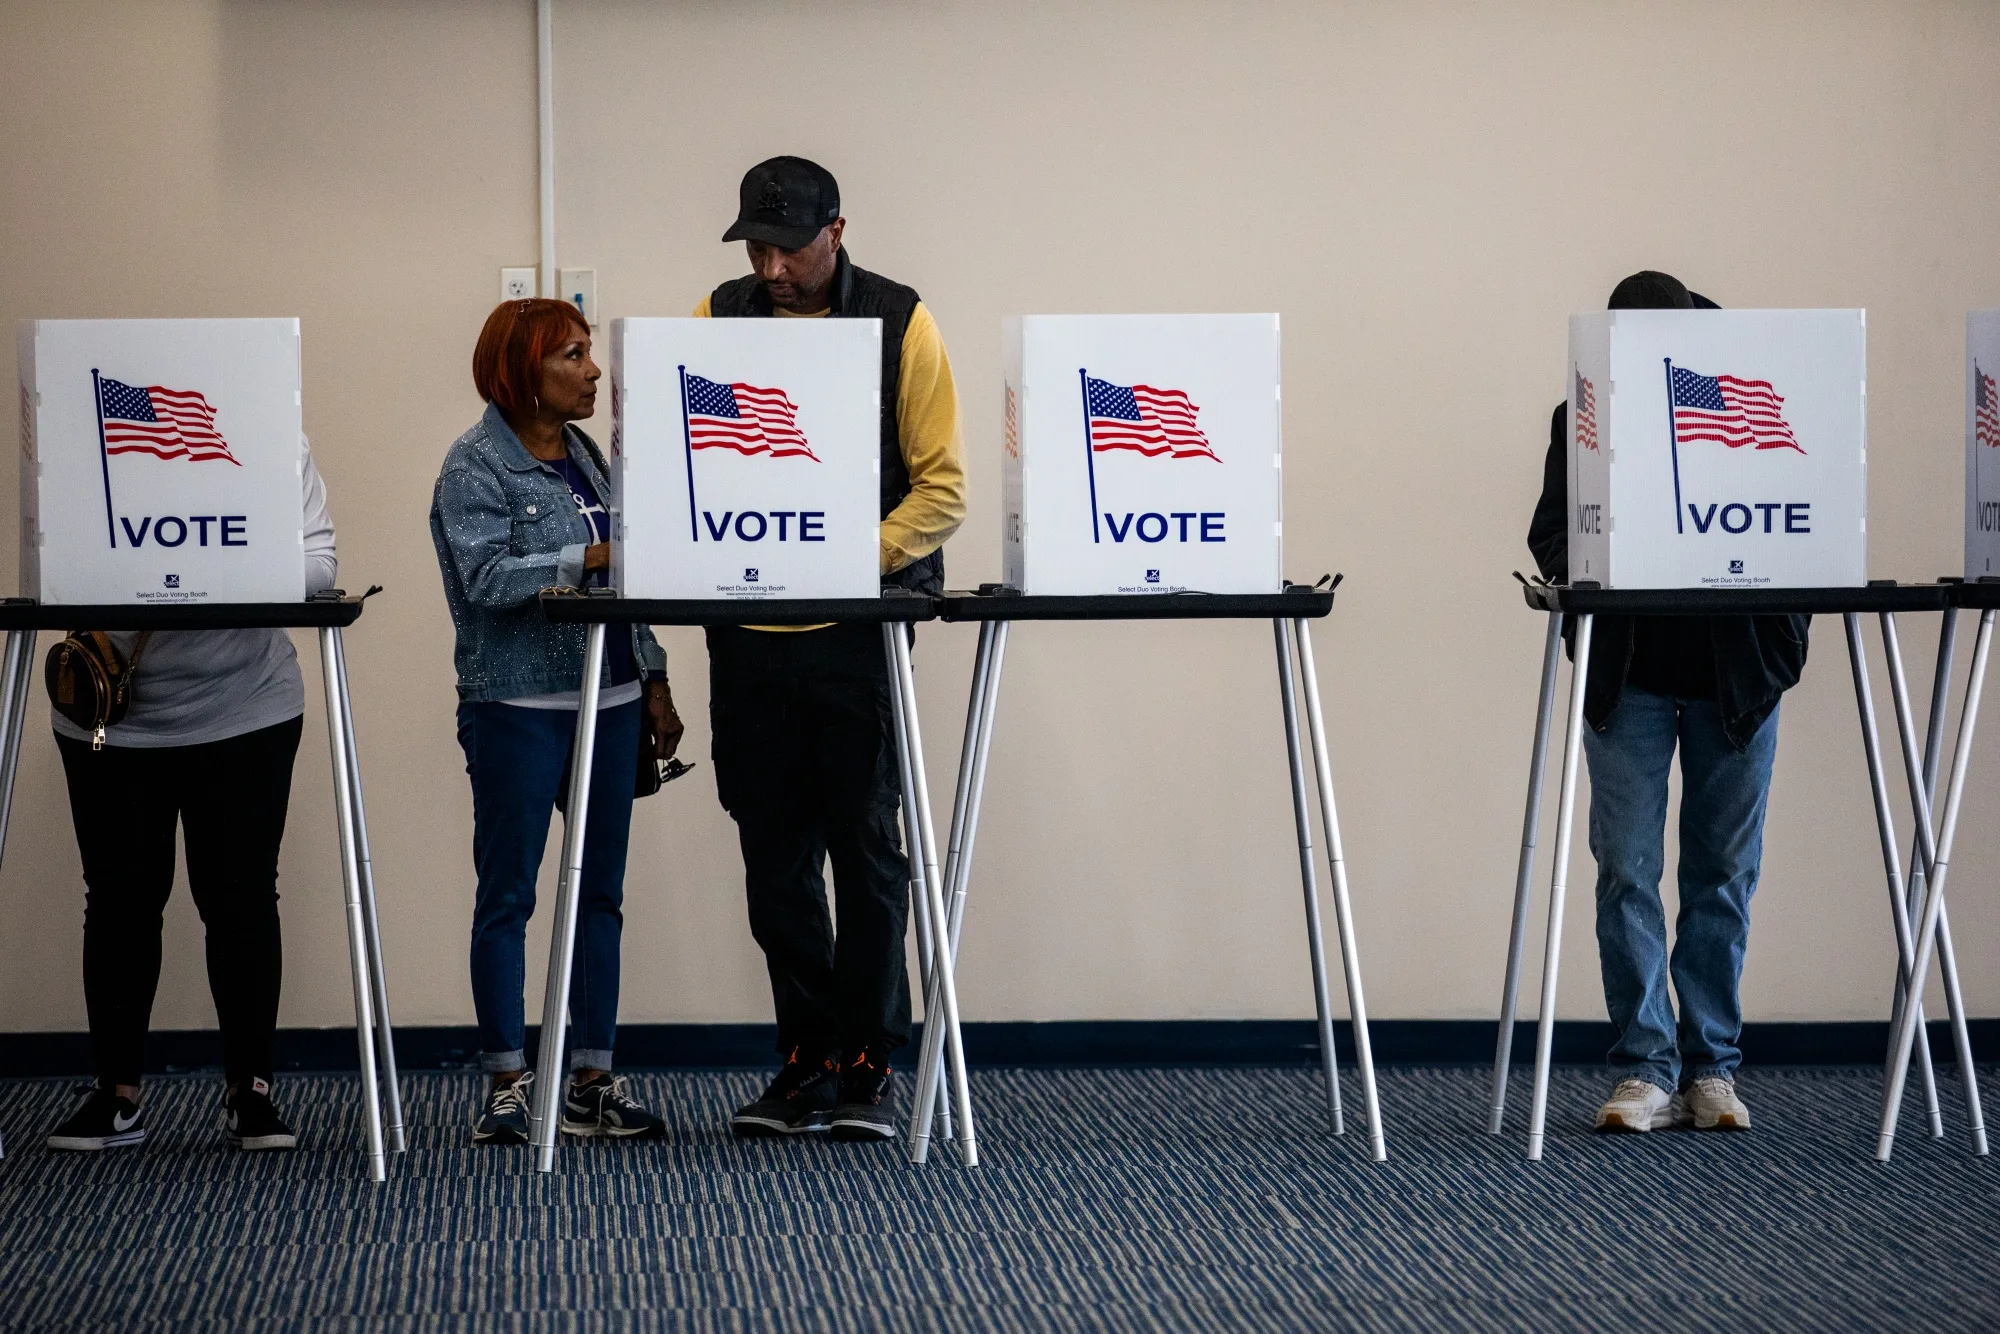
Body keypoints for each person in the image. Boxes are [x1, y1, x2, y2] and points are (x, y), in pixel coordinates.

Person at [695, 156, 966, 1141]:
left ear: (837, 230)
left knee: (865, 854)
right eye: (755, 246)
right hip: (748, 632)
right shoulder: (718, 315)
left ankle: (867, 1062)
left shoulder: (901, 319)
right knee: (773, 859)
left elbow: (940, 489)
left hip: (858, 631)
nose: (770, 265)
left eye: (787, 246)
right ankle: (802, 1056)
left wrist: (847, 555)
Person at [1528, 270, 1808, 1134]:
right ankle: (1646, 1068)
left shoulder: (1752, 400)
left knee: (1724, 876)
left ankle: (1712, 1071)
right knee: (1627, 875)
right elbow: (1547, 531)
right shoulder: (1584, 414)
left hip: (1737, 679)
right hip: (1631, 677)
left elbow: (1809, 522)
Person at [431, 297, 685, 1145]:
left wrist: (653, 677)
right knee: (508, 896)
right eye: (572, 355)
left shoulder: (591, 459)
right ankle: (508, 1083)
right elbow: (487, 581)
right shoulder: (473, 466)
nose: (593, 370)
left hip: (609, 702)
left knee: (599, 897)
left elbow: (632, 584)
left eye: (588, 353)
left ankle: (592, 1081)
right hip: (516, 707)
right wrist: (589, 554)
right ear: (522, 372)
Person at [43, 437, 337, 1154]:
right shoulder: (88, 445)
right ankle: (116, 1094)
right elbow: (52, 563)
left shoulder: (275, 441)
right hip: (110, 714)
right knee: (118, 899)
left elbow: (320, 569)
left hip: (247, 705)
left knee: (238, 899)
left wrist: (185, 560)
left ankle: (251, 1094)